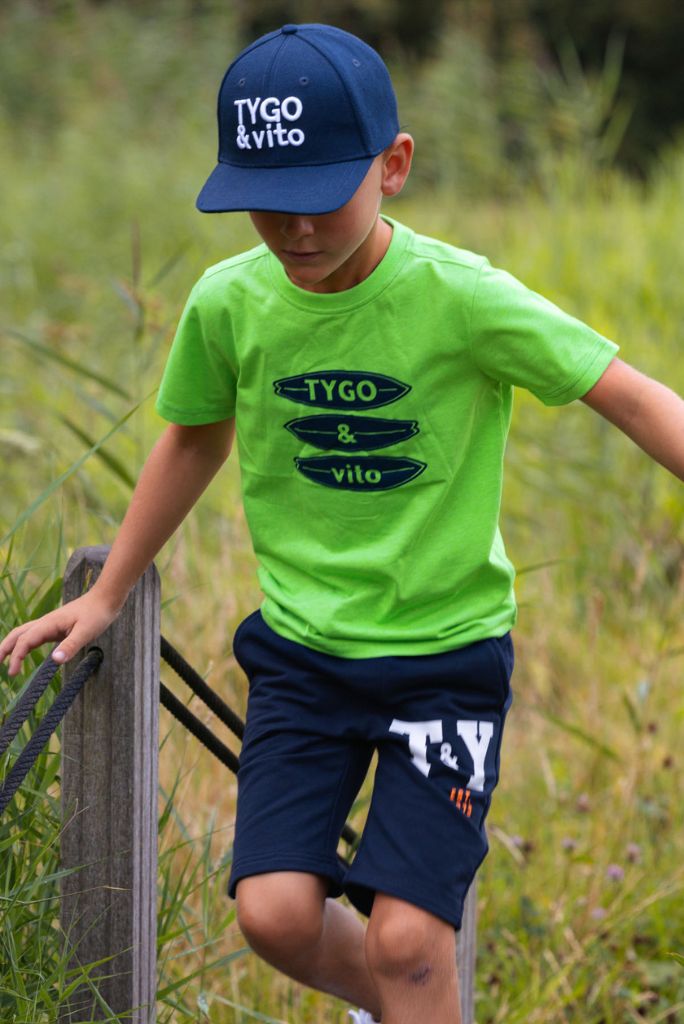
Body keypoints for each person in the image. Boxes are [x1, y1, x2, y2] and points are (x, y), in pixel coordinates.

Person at [2, 22, 684, 1024]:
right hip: (304, 660)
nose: (295, 229)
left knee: (412, 939)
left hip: (446, 655)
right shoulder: (229, 303)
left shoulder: (462, 297)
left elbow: (626, 393)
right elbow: (192, 439)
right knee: (275, 914)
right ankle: (410, 1000)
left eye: (320, 196)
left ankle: (413, 990)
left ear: (394, 166)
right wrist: (107, 593)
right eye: (264, 204)